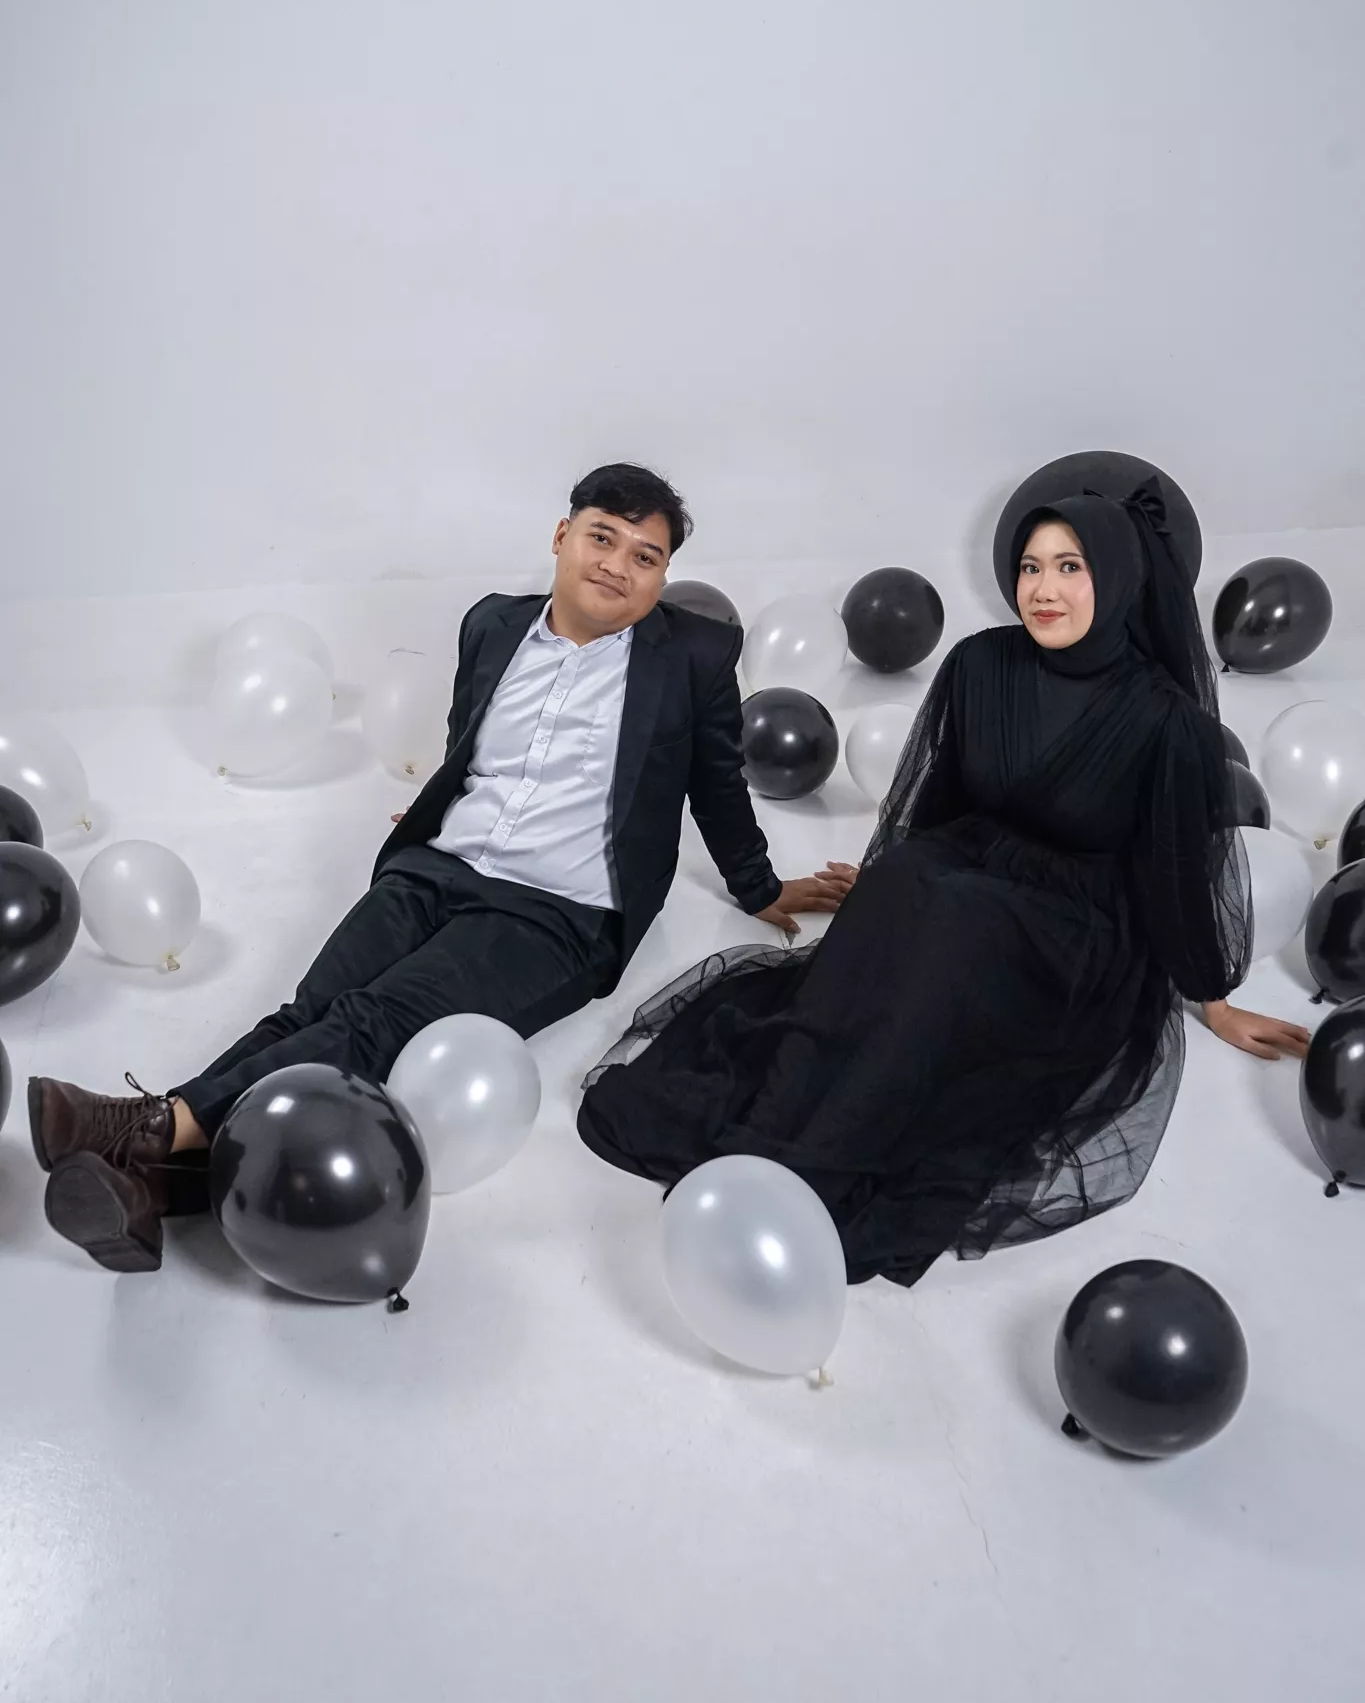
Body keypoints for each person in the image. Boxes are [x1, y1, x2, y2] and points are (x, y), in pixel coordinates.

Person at [30, 462, 852, 1273]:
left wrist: (759, 886)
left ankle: (140, 1129)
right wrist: (438, 807)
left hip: (555, 912)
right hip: (436, 867)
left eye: (646, 556)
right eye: (602, 538)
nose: (618, 565)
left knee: (372, 1023)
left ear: (663, 576)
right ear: (562, 536)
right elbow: (472, 740)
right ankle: (149, 1189)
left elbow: (717, 783)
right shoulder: (492, 624)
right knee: (308, 1013)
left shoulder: (692, 657)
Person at [577, 484, 1310, 1288]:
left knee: (956, 919)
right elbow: (936, 805)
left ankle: (815, 1157)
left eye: (1069, 567)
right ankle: (775, 1122)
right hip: (975, 867)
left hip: (1076, 923)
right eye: (1029, 567)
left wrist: (1211, 998)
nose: (1042, 589)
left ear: (1116, 578)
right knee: (908, 880)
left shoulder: (1165, 720)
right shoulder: (981, 663)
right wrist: (887, 888)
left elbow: (1171, 870)